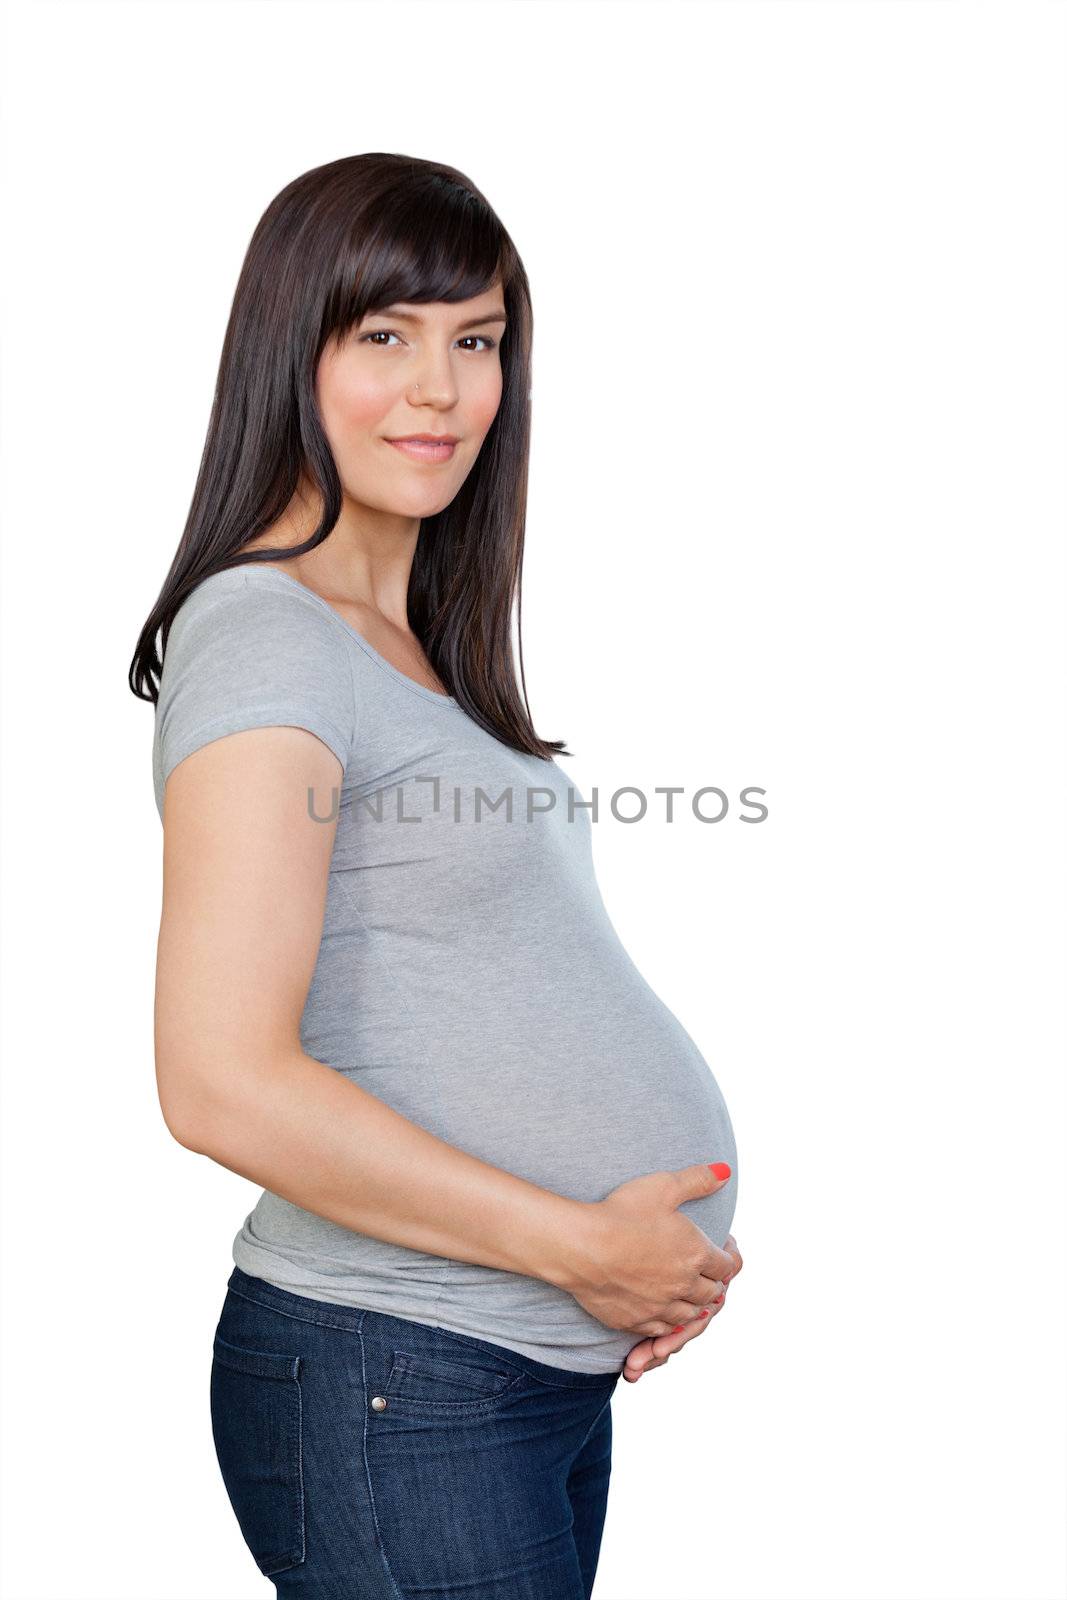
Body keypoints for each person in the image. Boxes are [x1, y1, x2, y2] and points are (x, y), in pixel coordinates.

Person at [131, 152, 743, 1600]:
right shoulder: (272, 640)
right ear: (294, 350)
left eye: (477, 341)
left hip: (495, 1373)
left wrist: (631, 1265)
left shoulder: (409, 650)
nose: (441, 391)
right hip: (395, 1376)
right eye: (384, 336)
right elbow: (216, 1079)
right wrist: (584, 1247)